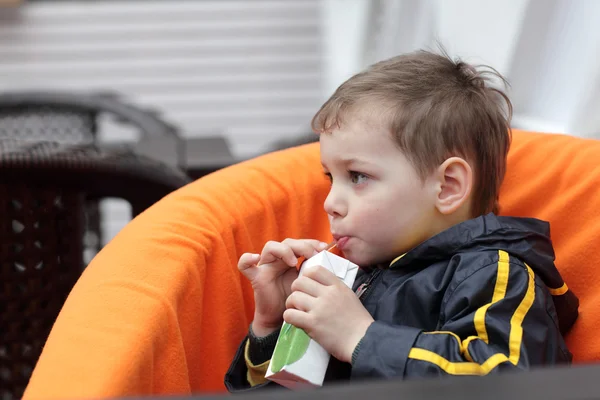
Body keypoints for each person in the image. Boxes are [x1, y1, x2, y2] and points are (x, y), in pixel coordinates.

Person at [224, 49, 579, 391]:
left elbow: (509, 381)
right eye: (331, 178)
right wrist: (271, 327)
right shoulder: (357, 282)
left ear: (447, 186)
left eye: (358, 176)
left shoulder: (496, 274)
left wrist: (363, 338)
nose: (330, 203)